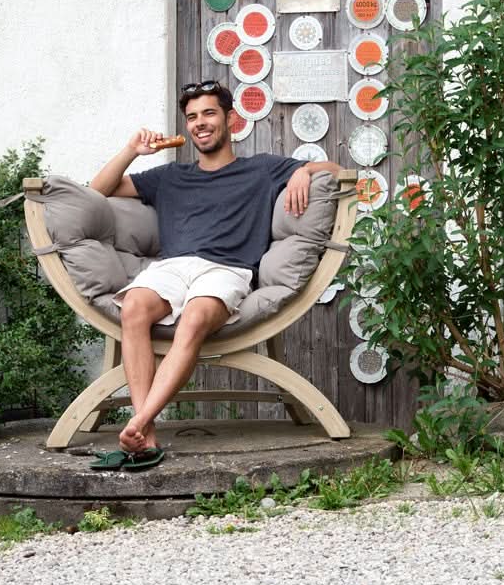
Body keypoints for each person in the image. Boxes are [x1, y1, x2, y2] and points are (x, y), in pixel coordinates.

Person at [89, 80, 342, 466]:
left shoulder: (261, 169)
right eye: (191, 117)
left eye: (208, 113)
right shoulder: (169, 176)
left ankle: (139, 421)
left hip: (227, 269)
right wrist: (131, 151)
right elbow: (97, 190)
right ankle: (147, 434)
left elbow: (336, 169)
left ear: (230, 119)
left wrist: (304, 171)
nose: (199, 123)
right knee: (133, 308)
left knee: (194, 318)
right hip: (171, 268)